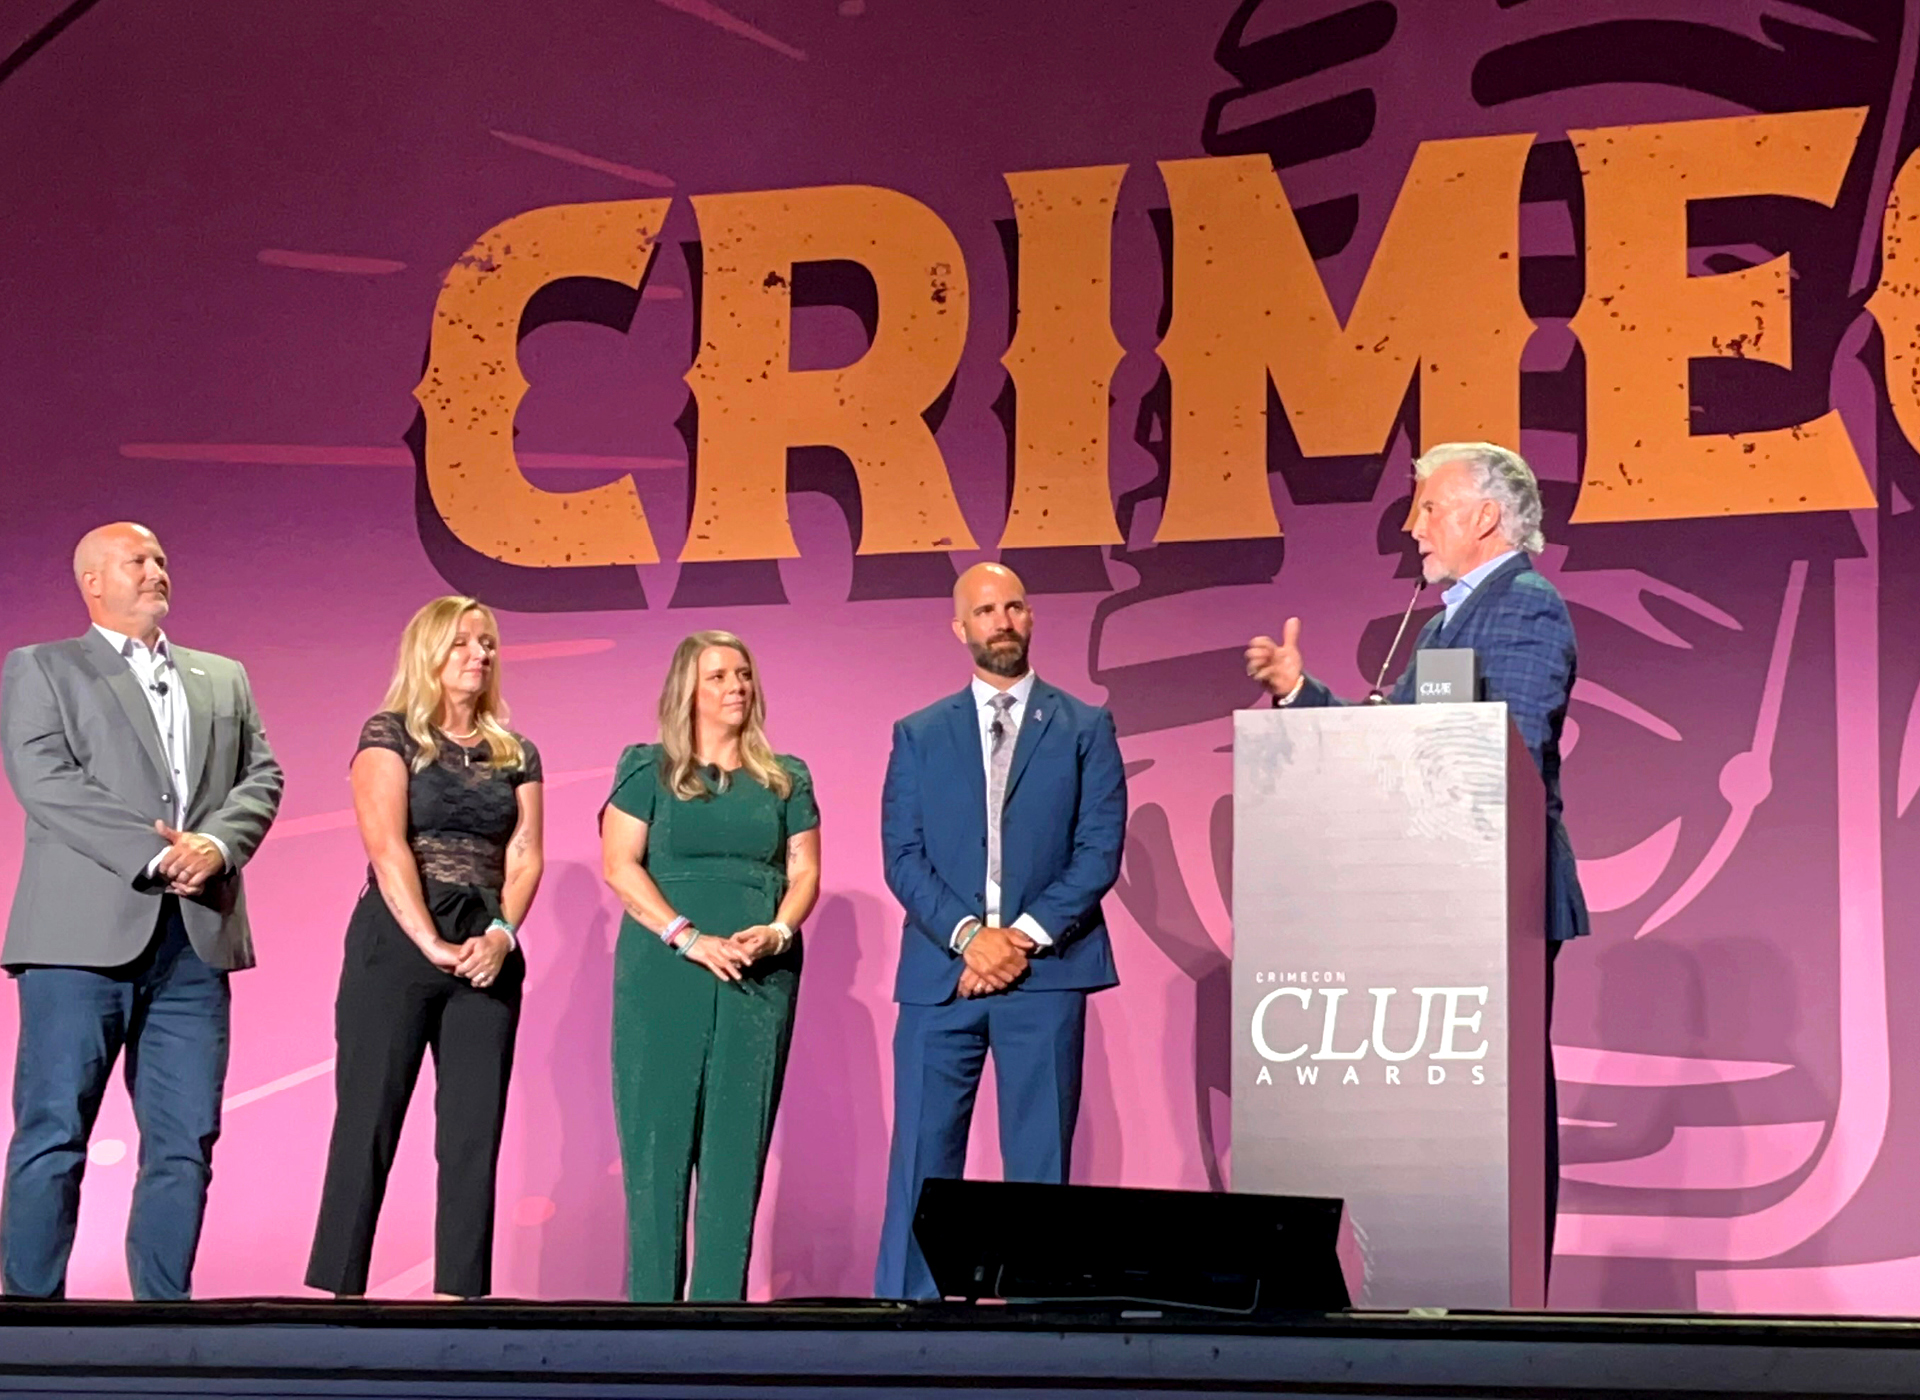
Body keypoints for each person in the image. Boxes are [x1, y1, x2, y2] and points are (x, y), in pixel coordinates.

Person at [1245, 440, 1590, 1254]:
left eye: (1430, 507)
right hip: (1435, 896)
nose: (1413, 526)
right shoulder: (1450, 619)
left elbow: (1511, 744)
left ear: (1484, 516)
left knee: (1502, 1103)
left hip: (1492, 893)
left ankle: (1511, 1294)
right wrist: (1300, 692)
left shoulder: (1528, 604)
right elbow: (1392, 737)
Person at [0, 522, 283, 1300]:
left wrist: (215, 848)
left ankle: (164, 1317)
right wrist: (159, 854)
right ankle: (28, 1317)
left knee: (185, 1138)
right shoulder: (43, 667)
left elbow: (261, 775)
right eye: (138, 560)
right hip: (76, 943)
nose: (157, 570)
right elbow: (47, 780)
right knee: (55, 1131)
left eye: (161, 558)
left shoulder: (221, 676)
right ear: (92, 580)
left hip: (194, 941)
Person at [873, 562, 1127, 1301]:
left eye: (1014, 606)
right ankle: (905, 1318)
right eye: (985, 611)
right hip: (940, 976)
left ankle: (1038, 1321)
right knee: (921, 1158)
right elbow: (903, 855)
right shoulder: (919, 734)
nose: (1002, 621)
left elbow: (1098, 849)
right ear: (961, 629)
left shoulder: (1084, 725)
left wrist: (1015, 939)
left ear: (1032, 616)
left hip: (1046, 975)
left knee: (1040, 1163)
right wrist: (967, 938)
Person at [306, 596, 543, 1300]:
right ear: (429, 654)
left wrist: (501, 933)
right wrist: (431, 943)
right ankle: (335, 1294)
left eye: (488, 643)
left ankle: (459, 1299)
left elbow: (526, 853)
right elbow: (385, 846)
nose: (479, 653)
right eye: (463, 642)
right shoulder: (390, 734)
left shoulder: (517, 750)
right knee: (368, 1117)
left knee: (473, 1132)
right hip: (398, 938)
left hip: (488, 945)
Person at [599, 630, 820, 1302]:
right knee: (657, 1150)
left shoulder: (786, 776)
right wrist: (686, 936)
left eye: (744, 674)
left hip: (759, 977)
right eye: (719, 675)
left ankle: (720, 1323)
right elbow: (620, 865)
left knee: (735, 1151)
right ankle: (650, 1323)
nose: (735, 687)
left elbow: (805, 869)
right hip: (665, 970)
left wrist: (778, 932)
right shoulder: (648, 769)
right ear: (687, 691)